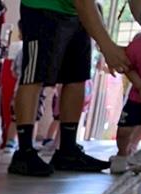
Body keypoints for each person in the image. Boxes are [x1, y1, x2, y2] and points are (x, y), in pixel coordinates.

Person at [10, 0, 131, 176]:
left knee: (77, 76)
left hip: (77, 14)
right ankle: (24, 152)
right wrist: (107, 46)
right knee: (33, 76)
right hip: (43, 7)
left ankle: (67, 150)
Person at [113, 0, 141, 165]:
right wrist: (139, 85)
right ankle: (122, 155)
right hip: (137, 99)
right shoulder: (137, 46)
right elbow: (128, 67)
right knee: (124, 130)